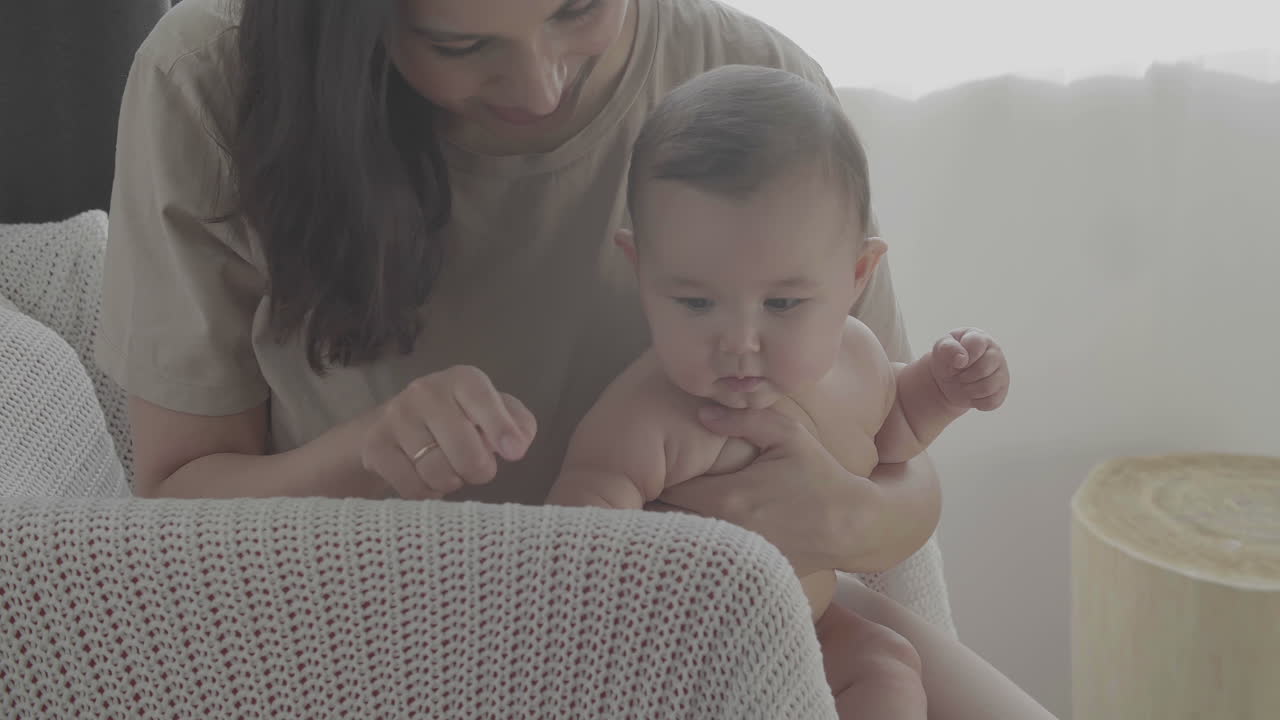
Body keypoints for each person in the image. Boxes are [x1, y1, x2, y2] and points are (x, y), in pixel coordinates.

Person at [97, 0, 1057, 717]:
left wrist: (848, 510)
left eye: (579, 9)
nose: (541, 86)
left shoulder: (756, 88)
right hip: (401, 632)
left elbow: (892, 448)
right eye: (461, 44)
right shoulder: (216, 77)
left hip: (762, 609)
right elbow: (176, 505)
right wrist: (368, 451)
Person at [546, 64, 1011, 718]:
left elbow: (894, 436)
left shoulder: (857, 360)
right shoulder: (650, 413)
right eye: (697, 302)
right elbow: (577, 538)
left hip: (809, 626)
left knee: (886, 664)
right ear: (641, 272)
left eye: (784, 303)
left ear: (855, 276)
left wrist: (942, 389)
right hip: (688, 656)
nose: (740, 341)